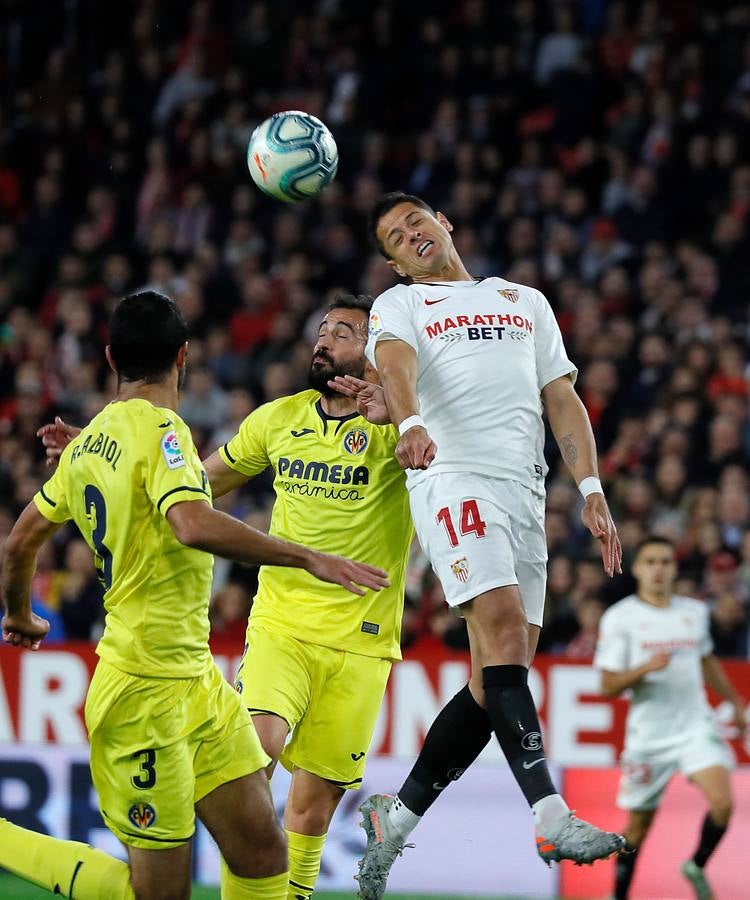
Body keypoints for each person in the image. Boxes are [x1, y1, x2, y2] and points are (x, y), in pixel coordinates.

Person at [1, 291, 388, 900]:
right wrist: (308, 556)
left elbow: (19, 544)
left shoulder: (95, 442)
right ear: (183, 356)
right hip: (139, 691)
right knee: (157, 895)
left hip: (198, 684)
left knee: (264, 854)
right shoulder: (164, 432)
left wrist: (21, 615)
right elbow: (191, 519)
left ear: (109, 356)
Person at [338, 191, 625, 898]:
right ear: (394, 264)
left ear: (446, 223)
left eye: (418, 223)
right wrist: (407, 422)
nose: (412, 237)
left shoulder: (524, 300)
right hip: (451, 476)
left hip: (524, 493)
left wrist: (590, 488)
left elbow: (562, 399)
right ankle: (551, 816)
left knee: (496, 675)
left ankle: (395, 820)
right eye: (397, 239)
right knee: (499, 633)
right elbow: (397, 369)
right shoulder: (399, 308)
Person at [595, 535, 745, 900]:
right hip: (649, 736)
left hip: (695, 726)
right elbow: (607, 686)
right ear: (639, 569)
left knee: (723, 803)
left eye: (665, 562)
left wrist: (735, 703)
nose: (659, 569)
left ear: (675, 569)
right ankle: (618, 894)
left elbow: (706, 660)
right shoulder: (621, 618)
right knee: (637, 830)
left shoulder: (693, 612)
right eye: (651, 562)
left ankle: (696, 864)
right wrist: (645, 668)